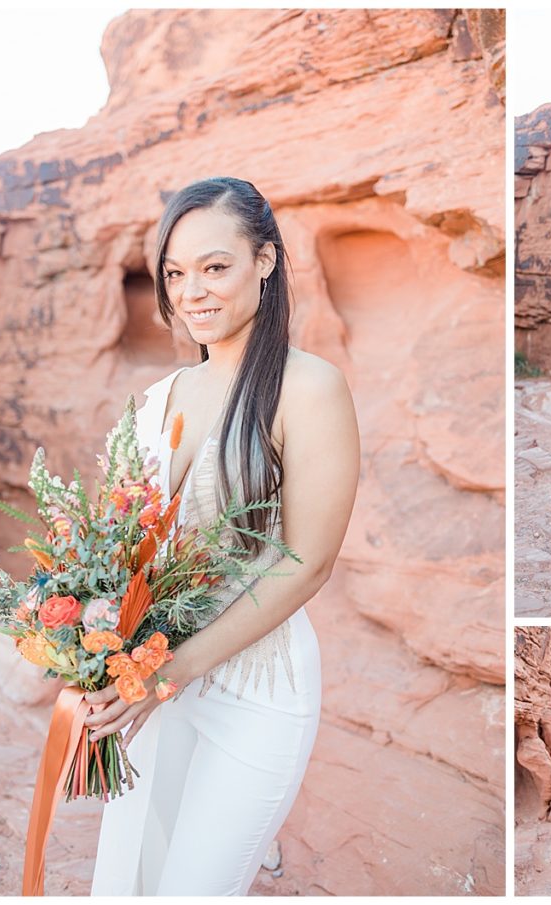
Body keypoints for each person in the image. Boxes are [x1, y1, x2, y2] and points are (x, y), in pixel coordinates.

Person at [85, 176, 361, 895]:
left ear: (264, 261)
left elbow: (307, 564)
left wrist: (162, 677)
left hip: (257, 690)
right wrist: (93, 638)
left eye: (215, 267)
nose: (193, 293)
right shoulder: (152, 402)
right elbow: (119, 550)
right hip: (151, 675)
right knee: (131, 876)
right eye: (176, 274)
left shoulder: (308, 388)